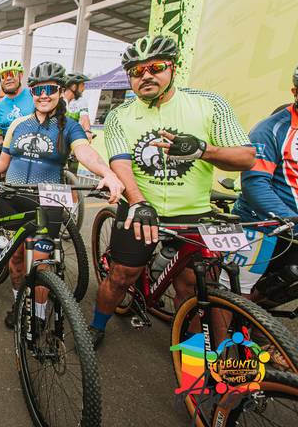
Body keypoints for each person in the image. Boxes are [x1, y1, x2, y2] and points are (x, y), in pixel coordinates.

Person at [92, 34, 254, 348]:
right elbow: (121, 163)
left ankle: (191, 357)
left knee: (192, 287)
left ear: (173, 68)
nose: (146, 76)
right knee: (121, 275)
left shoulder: (209, 104)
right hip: (140, 207)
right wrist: (138, 202)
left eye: (155, 67)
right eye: (137, 71)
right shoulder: (119, 115)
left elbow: (246, 157)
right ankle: (97, 325)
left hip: (192, 212)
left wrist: (204, 150)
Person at [0, 62, 123, 328]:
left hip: (47, 201)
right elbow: (3, 162)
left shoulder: (69, 127)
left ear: (60, 91)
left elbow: (85, 152)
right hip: (12, 198)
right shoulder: (18, 125)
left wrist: (108, 173)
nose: (44, 95)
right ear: (31, 92)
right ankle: (20, 305)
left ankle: (37, 316)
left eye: (50, 89)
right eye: (38, 90)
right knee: (16, 260)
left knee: (41, 264)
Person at [230, 64, 298, 300]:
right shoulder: (271, 129)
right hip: (265, 225)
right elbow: (255, 184)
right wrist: (292, 221)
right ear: (295, 92)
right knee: (239, 295)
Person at [0, 60, 34, 137]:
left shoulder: (34, 96)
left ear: (20, 75)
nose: (8, 78)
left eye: (12, 74)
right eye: (3, 76)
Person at [63, 72, 93, 140]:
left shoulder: (81, 101)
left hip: (73, 134)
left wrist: (87, 131)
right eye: (82, 85)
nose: (84, 89)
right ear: (74, 87)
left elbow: (84, 117)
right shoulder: (58, 99)